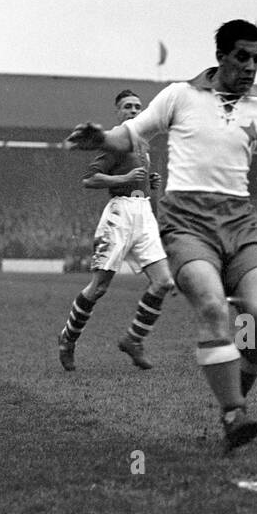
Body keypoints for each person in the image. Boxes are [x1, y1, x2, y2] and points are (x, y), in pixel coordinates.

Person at [65, 21, 257, 449]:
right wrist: (101, 139)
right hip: (186, 223)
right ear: (221, 56)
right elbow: (130, 133)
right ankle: (234, 414)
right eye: (243, 57)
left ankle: (233, 402)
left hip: (240, 224)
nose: (251, 66)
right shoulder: (178, 96)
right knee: (210, 305)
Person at [58, 89, 174, 371]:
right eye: (127, 107)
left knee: (164, 282)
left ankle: (134, 339)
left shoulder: (143, 145)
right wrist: (124, 177)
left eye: (137, 106)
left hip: (143, 212)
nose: (134, 110)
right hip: (119, 215)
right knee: (99, 288)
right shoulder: (116, 142)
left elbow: (140, 183)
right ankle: (68, 338)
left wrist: (150, 186)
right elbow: (89, 179)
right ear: (118, 112)